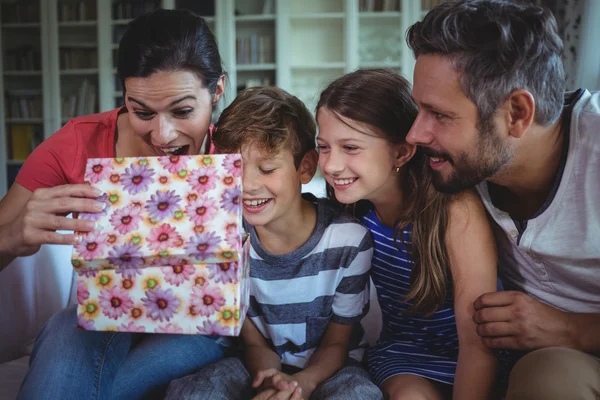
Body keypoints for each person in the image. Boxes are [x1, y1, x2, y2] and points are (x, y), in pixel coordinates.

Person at [0, 9, 228, 400]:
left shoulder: (237, 147)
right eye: (143, 111)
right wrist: (12, 237)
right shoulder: (77, 142)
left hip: (202, 325)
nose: (163, 134)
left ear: (218, 91)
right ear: (124, 94)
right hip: (103, 317)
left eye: (183, 110)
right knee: (63, 328)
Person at [405, 1, 600, 399]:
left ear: (516, 113)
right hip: (556, 363)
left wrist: (570, 329)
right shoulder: (461, 169)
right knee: (547, 375)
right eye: (417, 109)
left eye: (439, 115)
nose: (415, 133)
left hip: (575, 342)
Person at [165, 87, 383, 400]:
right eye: (235, 168)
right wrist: (271, 380)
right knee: (193, 393)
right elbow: (254, 343)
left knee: (360, 395)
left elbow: (337, 344)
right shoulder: (223, 233)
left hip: (330, 369)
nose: (247, 185)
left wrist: (302, 384)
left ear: (305, 168)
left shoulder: (349, 240)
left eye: (266, 169)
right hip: (254, 366)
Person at [315, 69, 498, 400]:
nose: (330, 165)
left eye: (351, 147)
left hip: (476, 351)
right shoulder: (354, 211)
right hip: (405, 355)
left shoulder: (456, 209)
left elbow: (477, 338)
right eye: (323, 147)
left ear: (401, 152)